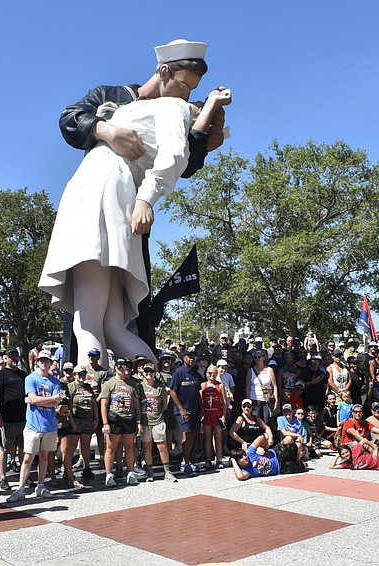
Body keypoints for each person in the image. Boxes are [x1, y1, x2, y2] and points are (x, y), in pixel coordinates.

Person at [42, 84, 230, 363]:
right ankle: (154, 388)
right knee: (114, 329)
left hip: (98, 201)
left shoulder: (169, 107)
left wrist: (211, 106)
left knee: (87, 324)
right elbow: (71, 119)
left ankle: (88, 395)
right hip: (120, 210)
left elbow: (180, 155)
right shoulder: (158, 109)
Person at [8, 350, 62, 503]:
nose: (44, 363)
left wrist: (40, 400)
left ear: (50, 363)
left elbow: (55, 402)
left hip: (50, 424)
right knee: (28, 457)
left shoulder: (55, 382)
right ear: (37, 362)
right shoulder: (30, 379)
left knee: (44, 456)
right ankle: (21, 488)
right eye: (42, 360)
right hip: (33, 424)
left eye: (47, 361)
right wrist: (49, 399)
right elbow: (34, 398)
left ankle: (40, 485)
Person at [98, 357, 143, 487]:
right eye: (120, 366)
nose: (122, 368)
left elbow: (137, 404)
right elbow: (103, 404)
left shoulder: (133, 385)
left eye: (124, 366)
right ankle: (108, 474)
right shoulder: (109, 383)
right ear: (115, 367)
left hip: (129, 418)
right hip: (114, 418)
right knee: (111, 447)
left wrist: (138, 421)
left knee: (129, 447)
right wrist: (105, 423)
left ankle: (130, 472)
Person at [0, 347, 27, 491]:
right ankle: (3, 477)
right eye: (11, 356)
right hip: (6, 419)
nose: (14, 359)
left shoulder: (24, 375)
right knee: (3, 448)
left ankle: (24, 477)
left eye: (16, 356)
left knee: (24, 448)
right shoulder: (0, 376)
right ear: (6, 358)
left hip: (23, 419)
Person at [168, 350, 203, 476]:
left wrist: (202, 408)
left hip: (195, 411)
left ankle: (187, 461)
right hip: (183, 411)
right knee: (186, 435)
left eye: (194, 357)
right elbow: (172, 391)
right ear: (184, 358)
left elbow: (198, 392)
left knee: (193, 435)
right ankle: (184, 463)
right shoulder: (179, 372)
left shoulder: (196, 374)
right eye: (189, 357)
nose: (192, 359)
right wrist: (181, 408)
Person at [229, 433, 305, 480]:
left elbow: (261, 437)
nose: (245, 457)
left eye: (244, 455)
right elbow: (240, 477)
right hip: (280, 468)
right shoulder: (247, 471)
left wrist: (266, 449)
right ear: (237, 462)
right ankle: (297, 459)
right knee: (304, 466)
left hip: (276, 454)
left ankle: (297, 457)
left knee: (300, 446)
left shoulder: (250, 453)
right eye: (241, 458)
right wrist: (233, 461)